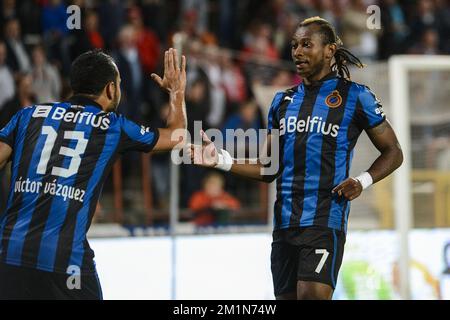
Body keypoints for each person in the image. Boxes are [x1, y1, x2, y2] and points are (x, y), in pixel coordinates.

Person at [189, 16, 403, 300]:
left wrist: (362, 181)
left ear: (329, 50)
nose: (297, 52)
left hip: (325, 220)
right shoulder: (282, 101)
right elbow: (268, 169)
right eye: (294, 45)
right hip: (285, 225)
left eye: (306, 44)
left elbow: (394, 151)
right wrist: (220, 160)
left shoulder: (356, 96)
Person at [0, 48, 187, 299]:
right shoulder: (112, 126)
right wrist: (176, 92)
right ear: (111, 89)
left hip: (8, 252)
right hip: (65, 262)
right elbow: (177, 137)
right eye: (119, 84)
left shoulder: (28, 115)